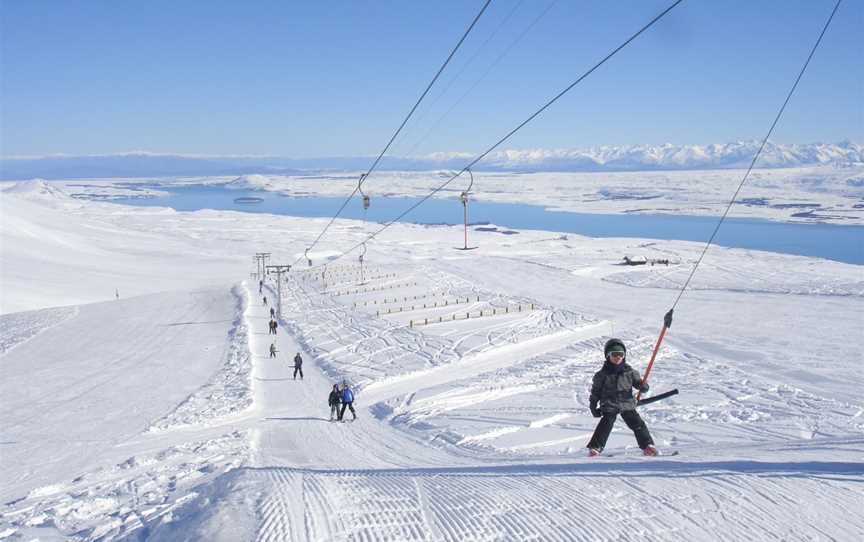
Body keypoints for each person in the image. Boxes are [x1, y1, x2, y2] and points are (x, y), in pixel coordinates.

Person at [586, 338, 657, 457]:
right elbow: (595, 392)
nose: (618, 357)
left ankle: (647, 446)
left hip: (626, 403)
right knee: (606, 423)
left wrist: (643, 386)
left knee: (637, 423)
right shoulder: (601, 375)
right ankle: (595, 447)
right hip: (609, 404)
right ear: (608, 355)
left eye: (621, 354)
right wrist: (593, 406)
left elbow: (638, 383)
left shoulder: (630, 372)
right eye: (614, 354)